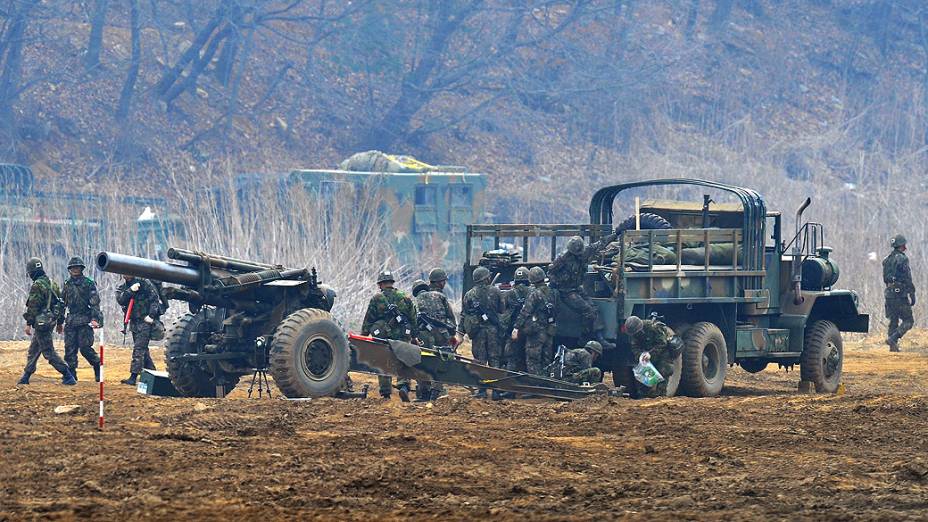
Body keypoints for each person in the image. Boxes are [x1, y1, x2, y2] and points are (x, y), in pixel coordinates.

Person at [547, 233, 616, 349]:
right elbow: (550, 273)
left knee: (594, 308)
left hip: (577, 287)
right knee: (588, 311)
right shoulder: (562, 259)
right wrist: (557, 286)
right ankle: (585, 339)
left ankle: (599, 337)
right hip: (566, 290)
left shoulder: (584, 252)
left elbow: (600, 244)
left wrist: (616, 234)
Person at [361, 270, 418, 401]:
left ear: (380, 284)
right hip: (403, 336)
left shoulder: (376, 299)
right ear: (392, 283)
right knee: (404, 360)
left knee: (383, 361)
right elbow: (413, 320)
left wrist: (363, 336)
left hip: (383, 337)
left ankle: (386, 393)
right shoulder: (406, 297)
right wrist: (414, 337)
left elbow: (369, 320)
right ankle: (404, 386)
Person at [18, 258, 76, 385]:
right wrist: (60, 322)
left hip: (41, 323)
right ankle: (26, 376)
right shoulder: (52, 283)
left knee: (48, 352)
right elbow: (61, 304)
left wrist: (28, 324)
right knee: (34, 349)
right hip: (50, 322)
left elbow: (33, 306)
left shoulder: (37, 285)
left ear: (32, 272)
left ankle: (67, 374)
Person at [458, 266, 503, 398]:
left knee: (479, 361)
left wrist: (460, 333)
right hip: (493, 331)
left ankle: (482, 390)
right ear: (486, 278)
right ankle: (496, 391)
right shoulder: (496, 291)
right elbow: (502, 309)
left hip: (477, 332)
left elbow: (464, 315)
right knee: (494, 360)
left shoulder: (469, 294)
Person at [414, 268, 458, 401]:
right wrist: (451, 333)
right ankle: (436, 391)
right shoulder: (441, 297)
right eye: (444, 281)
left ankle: (424, 393)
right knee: (441, 362)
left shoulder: (419, 297)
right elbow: (451, 319)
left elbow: (414, 318)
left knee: (423, 362)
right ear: (440, 282)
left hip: (423, 335)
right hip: (442, 335)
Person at [61, 256, 102, 381]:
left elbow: (95, 303)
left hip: (85, 319)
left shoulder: (89, 283)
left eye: (77, 267)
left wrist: (95, 319)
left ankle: (97, 367)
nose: (74, 270)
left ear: (81, 269)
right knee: (69, 349)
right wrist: (59, 321)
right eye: (72, 268)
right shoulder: (67, 284)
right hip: (72, 320)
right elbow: (62, 303)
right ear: (69, 270)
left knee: (85, 348)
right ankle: (71, 375)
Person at [116, 275, 162, 385]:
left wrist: (151, 316)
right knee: (143, 350)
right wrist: (130, 291)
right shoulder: (123, 287)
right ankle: (153, 373)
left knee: (139, 349)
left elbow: (154, 299)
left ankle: (133, 376)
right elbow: (121, 300)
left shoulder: (144, 283)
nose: (126, 275)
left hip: (145, 321)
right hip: (134, 322)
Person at [511, 266, 558, 376]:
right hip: (550, 330)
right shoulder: (553, 292)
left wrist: (516, 328)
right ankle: (546, 384)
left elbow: (525, 312)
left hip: (536, 333)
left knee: (533, 360)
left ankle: (535, 385)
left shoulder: (534, 294)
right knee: (546, 360)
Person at [622, 315, 682, 397]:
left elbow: (662, 344)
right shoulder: (634, 333)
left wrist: (650, 353)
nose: (635, 335)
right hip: (647, 351)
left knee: (664, 370)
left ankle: (661, 394)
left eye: (636, 333)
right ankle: (645, 394)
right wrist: (640, 356)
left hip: (663, 351)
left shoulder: (654, 327)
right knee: (643, 370)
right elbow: (635, 347)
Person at [883, 234, 915, 352]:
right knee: (909, 321)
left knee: (893, 320)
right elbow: (907, 278)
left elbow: (885, 279)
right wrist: (912, 293)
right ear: (902, 246)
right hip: (899, 294)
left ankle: (893, 347)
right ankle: (893, 339)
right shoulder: (903, 259)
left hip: (889, 294)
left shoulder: (886, 260)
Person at [500, 267, 532, 372]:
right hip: (529, 331)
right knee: (530, 359)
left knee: (511, 359)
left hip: (512, 331)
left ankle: (508, 381)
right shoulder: (533, 292)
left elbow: (502, 310)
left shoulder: (508, 294)